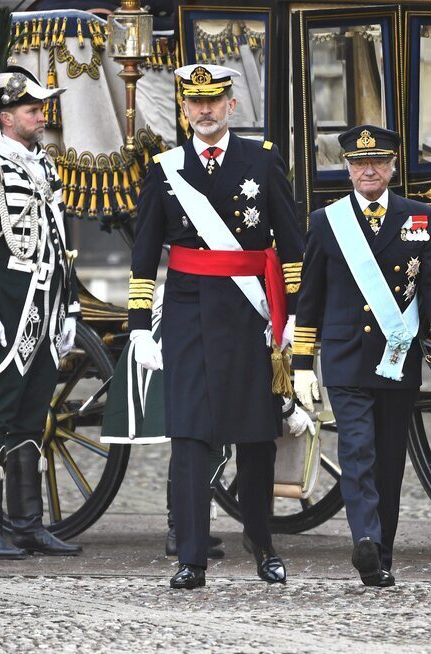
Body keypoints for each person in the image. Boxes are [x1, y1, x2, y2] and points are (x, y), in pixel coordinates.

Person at [128, 63, 304, 589]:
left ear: (231, 105)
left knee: (256, 438)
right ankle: (191, 556)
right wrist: (140, 326)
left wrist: (293, 316)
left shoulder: (263, 161)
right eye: (194, 102)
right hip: (187, 315)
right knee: (189, 437)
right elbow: (143, 257)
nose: (204, 110)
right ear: (183, 109)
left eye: (214, 101)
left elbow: (292, 248)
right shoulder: (165, 169)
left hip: (252, 315)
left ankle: (262, 543)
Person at [291, 125, 431, 587]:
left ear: (393, 167)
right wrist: (302, 362)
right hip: (346, 358)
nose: (369, 170)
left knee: (388, 463)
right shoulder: (328, 222)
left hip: (397, 358)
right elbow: (310, 298)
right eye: (360, 163)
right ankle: (365, 540)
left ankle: (381, 555)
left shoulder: (419, 217)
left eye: (379, 162)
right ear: (347, 168)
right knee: (357, 451)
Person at [0, 9, 82, 559]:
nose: (40, 115)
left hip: (46, 312)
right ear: (6, 117)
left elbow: (58, 241)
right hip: (5, 312)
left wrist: (70, 305)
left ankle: (28, 523)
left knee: (34, 414)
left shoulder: (44, 167)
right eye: (32, 109)